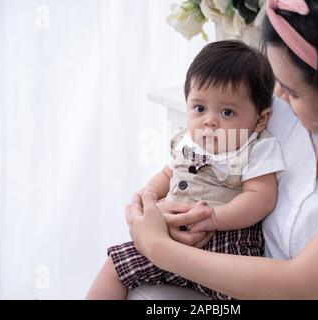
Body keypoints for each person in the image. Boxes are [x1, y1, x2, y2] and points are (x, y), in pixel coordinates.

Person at [116, 0, 318, 300]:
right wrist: (161, 214)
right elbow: (193, 167)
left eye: (293, 90)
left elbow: (300, 284)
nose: (277, 96)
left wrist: (158, 248)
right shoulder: (277, 112)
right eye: (278, 80)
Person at [86, 40, 286, 300]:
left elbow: (261, 197)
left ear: (260, 119)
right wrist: (149, 195)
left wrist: (215, 218)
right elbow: (166, 175)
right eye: (199, 108)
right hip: (172, 237)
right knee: (116, 264)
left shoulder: (256, 148)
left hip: (227, 245)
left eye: (227, 112)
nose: (209, 120)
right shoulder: (185, 141)